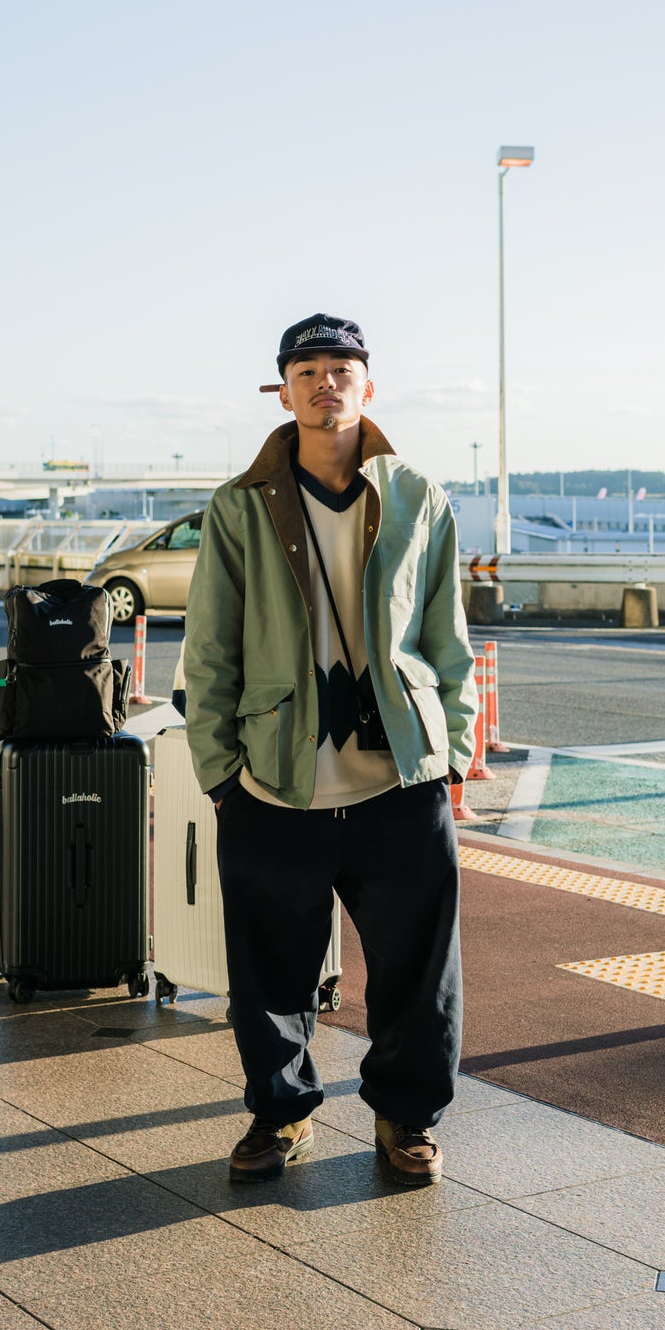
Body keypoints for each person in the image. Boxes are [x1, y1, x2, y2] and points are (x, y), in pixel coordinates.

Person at [182, 314, 478, 1184]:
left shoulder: (418, 495)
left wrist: (451, 750)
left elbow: (444, 633)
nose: (324, 382)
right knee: (269, 969)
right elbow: (210, 649)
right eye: (305, 369)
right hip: (274, 782)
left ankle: (406, 1116)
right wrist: (220, 773)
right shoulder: (239, 505)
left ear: (367, 385)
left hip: (398, 775)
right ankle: (279, 1116)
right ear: (283, 391)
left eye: (340, 367)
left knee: (417, 971)